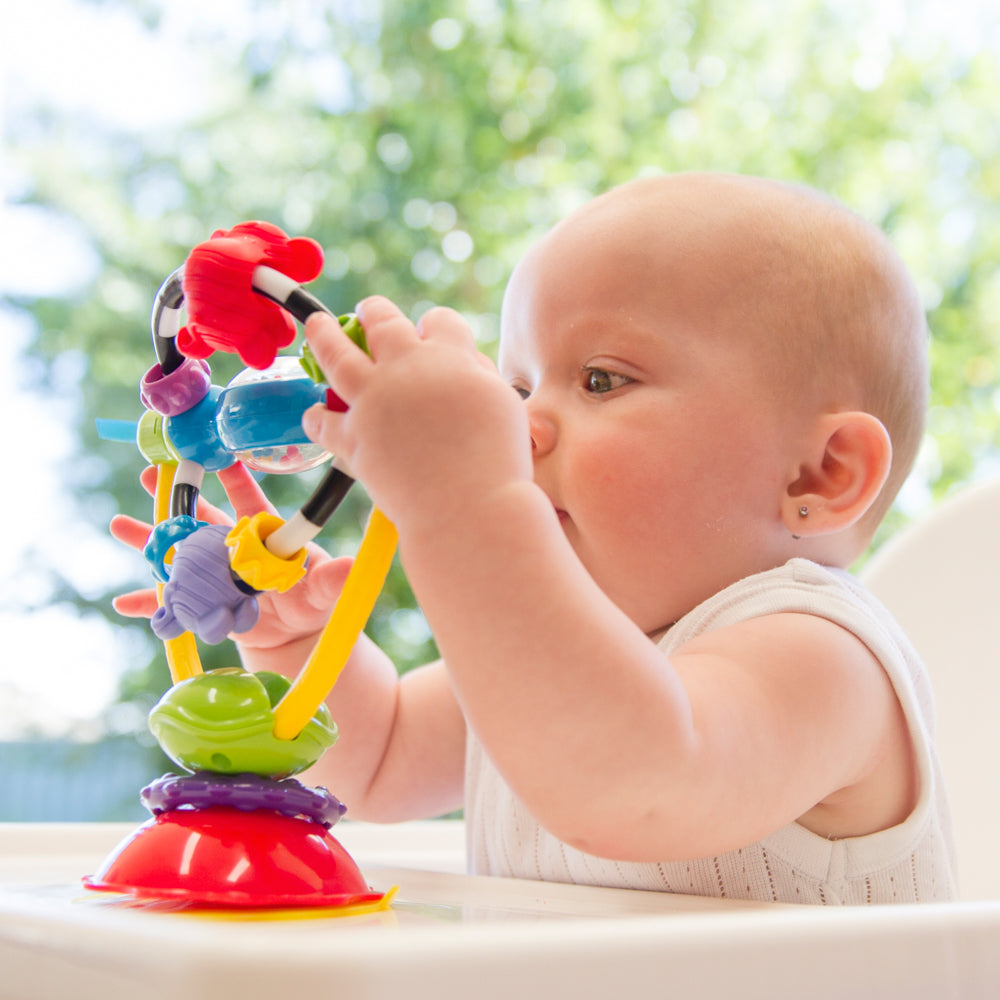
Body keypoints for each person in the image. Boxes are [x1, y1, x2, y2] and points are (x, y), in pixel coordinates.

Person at [112, 172, 956, 904]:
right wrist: (295, 639)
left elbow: (634, 786)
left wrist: (468, 500)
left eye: (601, 380)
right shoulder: (553, 657)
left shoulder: (825, 656)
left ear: (819, 475)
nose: (517, 428)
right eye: (515, 390)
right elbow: (380, 761)